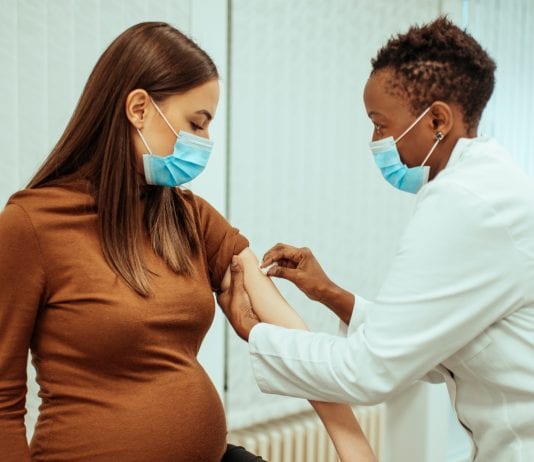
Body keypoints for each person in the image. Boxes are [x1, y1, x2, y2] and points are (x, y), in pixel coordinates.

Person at [0, 21, 375, 461]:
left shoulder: (187, 215)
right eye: (196, 124)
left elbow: (290, 334)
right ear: (139, 108)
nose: (205, 142)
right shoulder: (31, 225)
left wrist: (354, 447)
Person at [222, 16, 534, 462]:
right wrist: (329, 293)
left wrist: (253, 331)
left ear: (437, 119)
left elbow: (369, 370)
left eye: (380, 124)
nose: (375, 141)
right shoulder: (488, 187)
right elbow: (425, 345)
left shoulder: (464, 202)